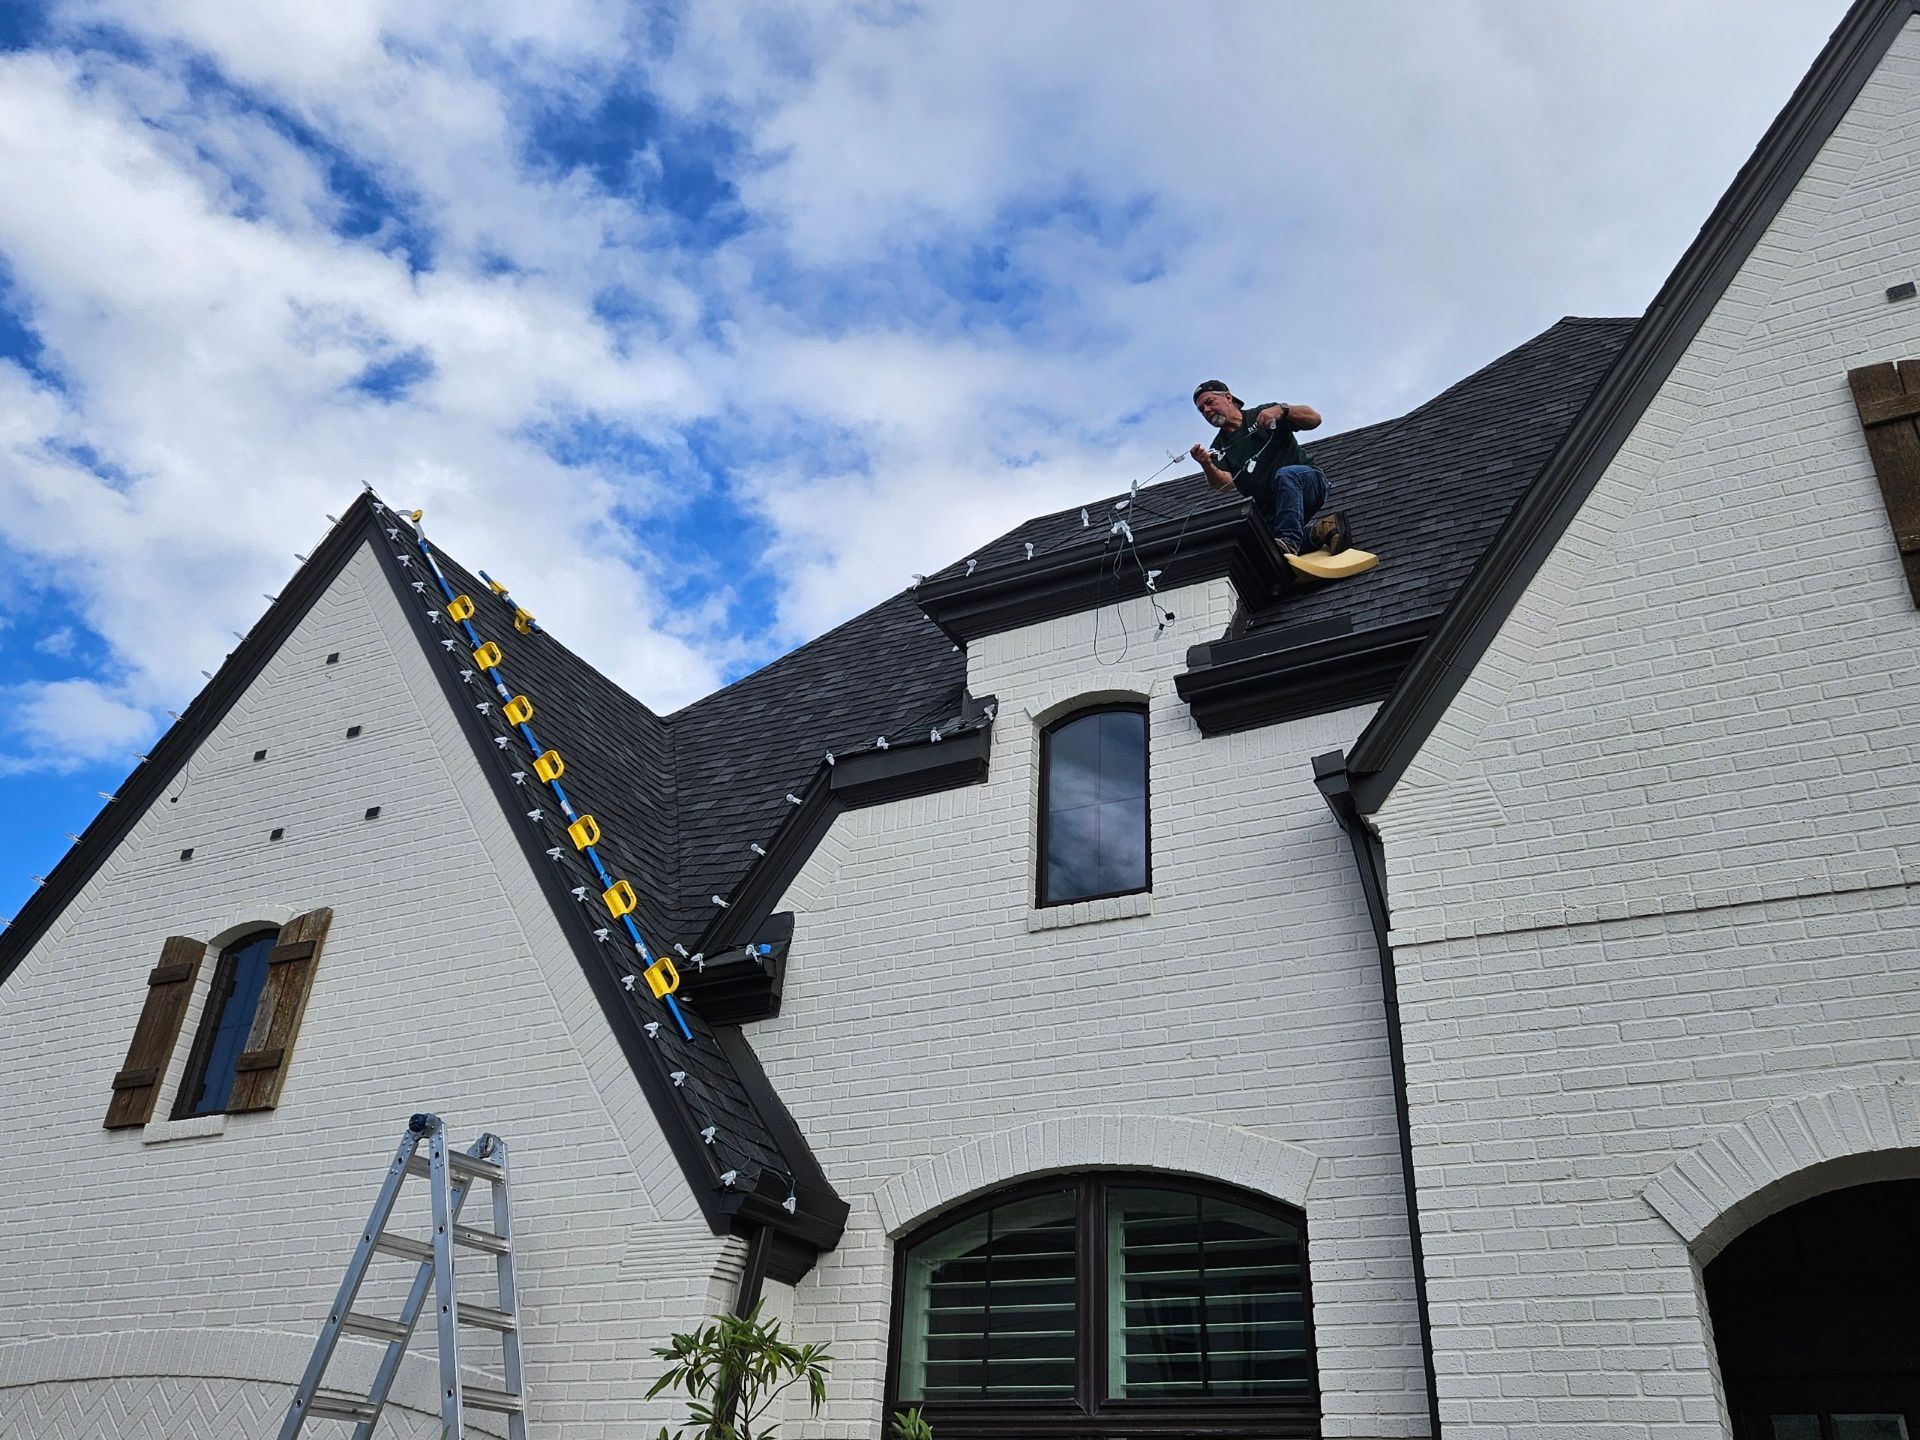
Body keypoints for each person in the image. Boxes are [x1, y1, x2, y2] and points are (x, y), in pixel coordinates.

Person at [1189, 380, 1350, 556]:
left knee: (1285, 476)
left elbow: (1315, 419)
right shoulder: (1219, 447)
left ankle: (1289, 542)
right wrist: (1205, 463)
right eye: (1201, 409)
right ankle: (1322, 531)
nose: (1206, 411)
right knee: (1254, 551)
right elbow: (1225, 485)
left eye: (1209, 402)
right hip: (1275, 512)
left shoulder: (1263, 414)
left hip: (1307, 485)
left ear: (1228, 397)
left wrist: (1283, 410)